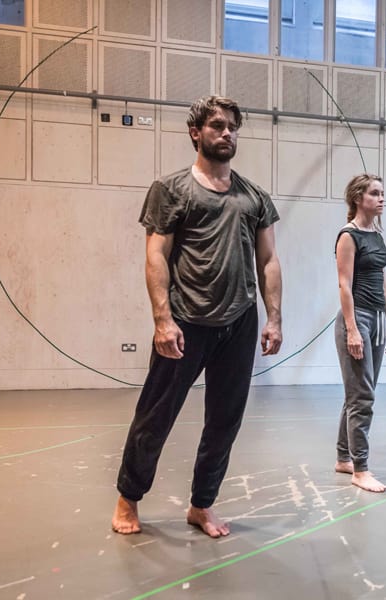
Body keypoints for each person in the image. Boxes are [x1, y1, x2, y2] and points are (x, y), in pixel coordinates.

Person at [111, 95, 283, 538]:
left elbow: (268, 260)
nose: (227, 133)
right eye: (218, 126)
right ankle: (128, 498)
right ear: (196, 133)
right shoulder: (171, 190)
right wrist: (162, 320)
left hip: (239, 322)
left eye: (232, 127)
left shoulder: (254, 197)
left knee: (225, 420)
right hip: (185, 323)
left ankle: (202, 505)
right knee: (156, 415)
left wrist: (274, 318)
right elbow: (156, 255)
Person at [334, 174, 386, 492]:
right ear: (359, 198)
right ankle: (360, 469)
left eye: (383, 193)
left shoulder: (378, 237)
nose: (381, 198)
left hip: (376, 319)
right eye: (375, 193)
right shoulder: (349, 235)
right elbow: (344, 284)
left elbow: (383, 284)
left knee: (357, 392)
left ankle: (344, 457)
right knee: (363, 396)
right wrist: (352, 330)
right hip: (356, 317)